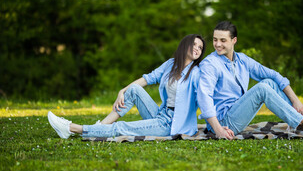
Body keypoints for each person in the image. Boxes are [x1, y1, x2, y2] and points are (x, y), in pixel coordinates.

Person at [197, 21, 303, 140]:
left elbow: (273, 75)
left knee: (269, 83)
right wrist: (218, 129)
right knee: (262, 89)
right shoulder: (210, 64)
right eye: (215, 40)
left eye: (223, 40)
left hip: (236, 111)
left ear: (234, 40)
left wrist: (295, 100)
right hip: (224, 122)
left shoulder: (241, 60)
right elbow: (204, 97)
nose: (217, 44)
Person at [48, 34, 206, 139]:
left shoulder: (196, 74)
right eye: (194, 44)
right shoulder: (171, 64)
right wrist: (122, 91)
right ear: (185, 45)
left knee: (122, 127)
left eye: (200, 47)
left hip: (171, 124)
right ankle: (101, 126)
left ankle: (71, 128)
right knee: (134, 89)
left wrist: (218, 125)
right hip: (160, 114)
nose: (197, 49)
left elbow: (205, 98)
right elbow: (148, 78)